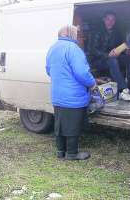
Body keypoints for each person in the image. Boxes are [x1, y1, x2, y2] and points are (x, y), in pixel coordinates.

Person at [46, 25, 96, 160]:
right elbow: (82, 73)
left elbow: (48, 70)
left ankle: (60, 151)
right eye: (77, 34)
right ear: (72, 35)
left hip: (57, 94)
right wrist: (92, 83)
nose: (79, 36)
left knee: (59, 124)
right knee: (72, 126)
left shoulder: (53, 48)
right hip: (73, 96)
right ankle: (72, 153)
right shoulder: (74, 49)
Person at [90, 11, 130, 101]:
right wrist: (107, 54)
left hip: (113, 57)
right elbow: (93, 50)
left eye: (113, 20)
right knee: (113, 60)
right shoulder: (97, 32)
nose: (110, 22)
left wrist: (126, 51)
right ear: (103, 20)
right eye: (108, 19)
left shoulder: (116, 32)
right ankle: (123, 90)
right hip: (99, 60)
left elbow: (120, 46)